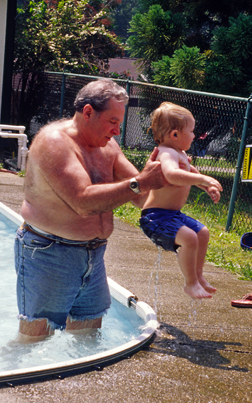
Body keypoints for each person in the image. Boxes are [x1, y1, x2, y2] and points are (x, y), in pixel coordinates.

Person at [15, 79, 168, 342]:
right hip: (49, 252)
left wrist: (178, 179)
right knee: (35, 340)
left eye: (119, 123)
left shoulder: (107, 146)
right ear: (88, 112)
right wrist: (141, 181)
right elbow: (83, 202)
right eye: (112, 121)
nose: (117, 130)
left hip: (93, 256)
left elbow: (143, 196)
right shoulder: (54, 142)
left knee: (87, 336)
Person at [138, 102, 223, 299]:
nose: (194, 135)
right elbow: (171, 175)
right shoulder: (166, 152)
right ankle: (190, 283)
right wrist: (203, 179)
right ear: (175, 135)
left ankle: (198, 276)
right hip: (155, 218)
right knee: (190, 238)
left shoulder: (180, 154)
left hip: (172, 215)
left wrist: (207, 186)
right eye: (191, 131)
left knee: (202, 232)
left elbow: (192, 173)